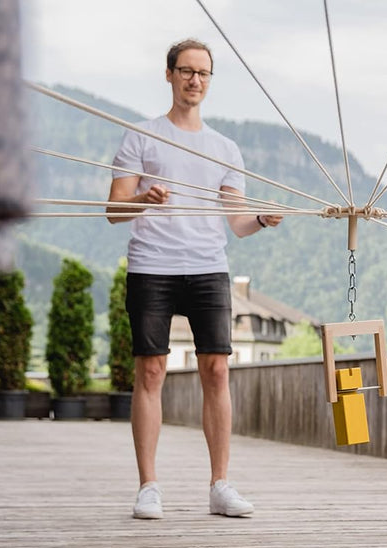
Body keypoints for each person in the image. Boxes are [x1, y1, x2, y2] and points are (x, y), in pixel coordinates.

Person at [107, 39, 283, 520]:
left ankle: (220, 485)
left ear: (209, 80)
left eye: (203, 73)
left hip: (208, 265)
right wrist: (144, 199)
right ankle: (149, 487)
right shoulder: (141, 136)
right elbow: (113, 210)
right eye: (186, 71)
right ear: (169, 75)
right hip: (152, 265)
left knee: (217, 371)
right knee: (150, 372)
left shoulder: (225, 148)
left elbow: (239, 224)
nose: (195, 80)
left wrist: (263, 221)